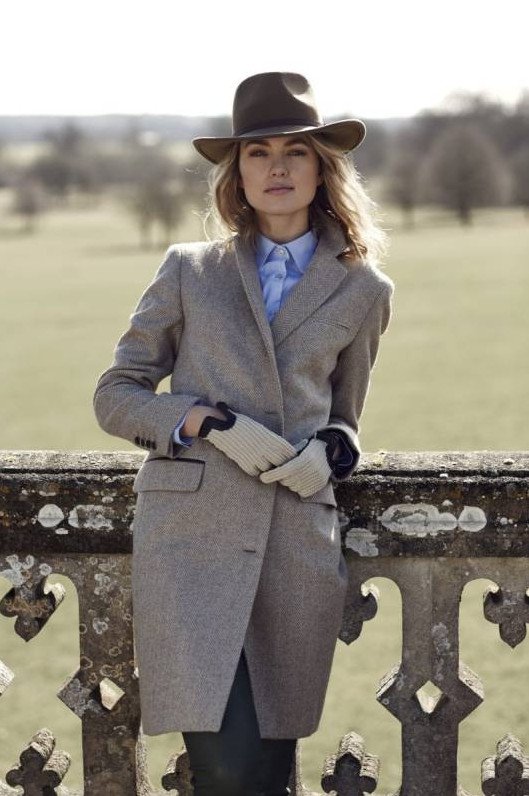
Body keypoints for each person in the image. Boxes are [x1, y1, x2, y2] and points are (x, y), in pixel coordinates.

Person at [93, 71, 395, 796]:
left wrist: (331, 451)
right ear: (238, 172)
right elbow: (116, 395)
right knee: (225, 768)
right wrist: (209, 421)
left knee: (263, 770)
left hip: (294, 543)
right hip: (191, 545)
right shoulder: (189, 271)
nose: (277, 167)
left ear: (322, 169)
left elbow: (345, 414)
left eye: (296, 151)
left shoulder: (364, 289)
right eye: (258, 152)